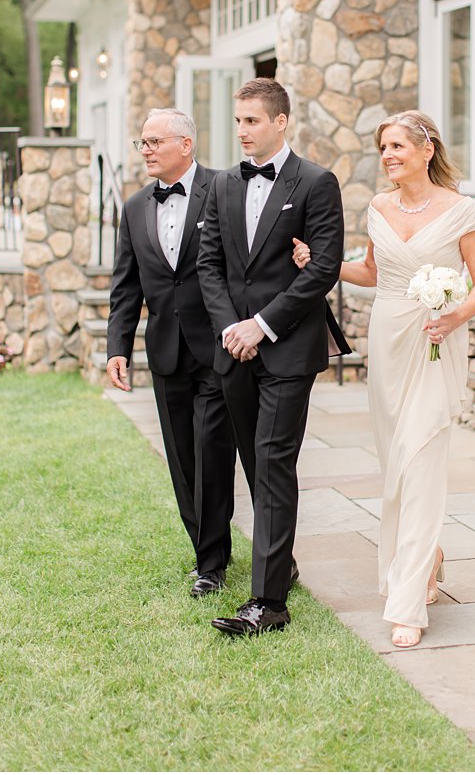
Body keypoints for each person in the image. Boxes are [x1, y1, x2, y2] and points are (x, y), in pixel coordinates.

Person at [292, 110, 475, 648]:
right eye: (383, 147)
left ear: (427, 150)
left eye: (399, 145)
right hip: (388, 340)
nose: (388, 155)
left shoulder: (461, 210)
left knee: (421, 456)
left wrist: (453, 317)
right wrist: (322, 262)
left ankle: (406, 602)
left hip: (434, 338)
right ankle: (428, 557)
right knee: (394, 466)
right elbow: (373, 272)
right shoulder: (378, 205)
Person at [195, 78, 349, 636]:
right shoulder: (221, 185)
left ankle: (268, 604)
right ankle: (279, 564)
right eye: (238, 121)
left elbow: (323, 269)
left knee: (272, 460)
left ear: (280, 122)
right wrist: (231, 329)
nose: (242, 131)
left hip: (287, 351)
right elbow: (207, 265)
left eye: (252, 121)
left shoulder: (316, 183)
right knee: (253, 463)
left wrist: (261, 326)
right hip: (233, 348)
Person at [106, 109, 236, 598]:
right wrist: (118, 348)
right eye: (142, 142)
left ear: (186, 144)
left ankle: (211, 563)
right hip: (164, 352)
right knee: (182, 460)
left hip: (216, 347)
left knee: (212, 454)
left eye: (155, 141)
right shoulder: (135, 207)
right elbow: (126, 285)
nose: (146, 150)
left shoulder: (223, 190)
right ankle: (206, 550)